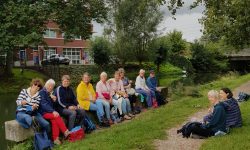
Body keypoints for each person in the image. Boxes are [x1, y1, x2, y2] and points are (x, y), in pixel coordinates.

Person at [39, 79, 70, 145]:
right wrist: (53, 111)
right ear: (46, 85)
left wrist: (54, 100)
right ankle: (65, 131)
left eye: (52, 86)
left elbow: (54, 106)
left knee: (54, 121)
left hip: (50, 112)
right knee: (56, 115)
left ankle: (55, 139)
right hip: (43, 113)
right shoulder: (42, 92)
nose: (51, 87)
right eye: (49, 86)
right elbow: (44, 104)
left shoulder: (51, 93)